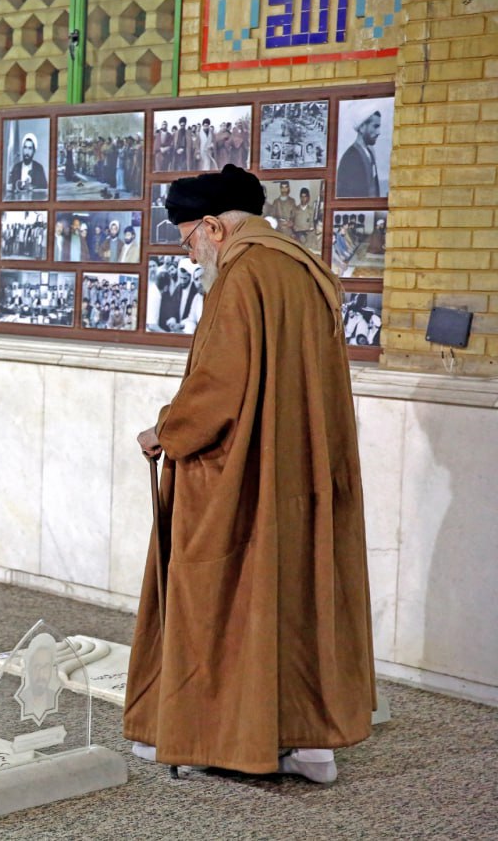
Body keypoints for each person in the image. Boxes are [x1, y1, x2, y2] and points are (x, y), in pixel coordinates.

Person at [127, 164, 375, 784]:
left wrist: (166, 431)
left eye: (188, 239)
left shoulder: (241, 276)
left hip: (240, 477)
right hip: (302, 474)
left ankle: (205, 739)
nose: (189, 255)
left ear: (214, 227)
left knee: (218, 600)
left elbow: (218, 388)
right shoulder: (306, 270)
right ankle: (310, 747)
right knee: (295, 600)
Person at [336, 108, 383, 197]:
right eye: (375, 126)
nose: (378, 132)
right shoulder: (349, 158)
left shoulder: (370, 154)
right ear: (362, 127)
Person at [7, 133, 48, 200]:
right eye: (25, 148)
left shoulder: (39, 168)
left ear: (33, 151)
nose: (27, 152)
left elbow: (44, 189)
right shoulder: (16, 167)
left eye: (30, 148)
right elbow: (11, 189)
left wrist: (32, 188)